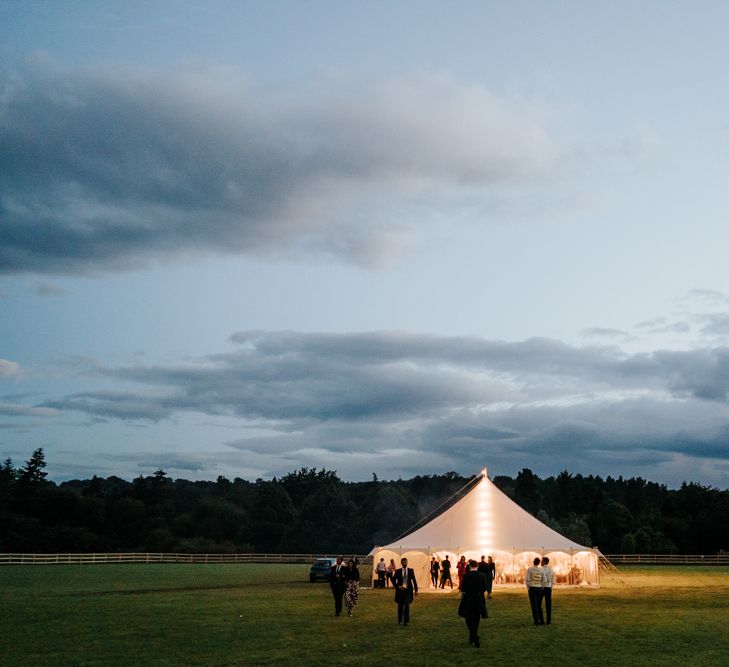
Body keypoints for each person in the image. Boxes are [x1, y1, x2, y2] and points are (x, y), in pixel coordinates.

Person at [458, 559, 488, 647]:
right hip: (479, 599)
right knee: (476, 618)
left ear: (470, 566)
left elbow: (463, 589)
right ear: (477, 566)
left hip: (469, 599)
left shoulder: (466, 576)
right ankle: (473, 637)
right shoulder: (482, 575)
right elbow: (485, 588)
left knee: (468, 618)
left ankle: (474, 637)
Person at [392, 557, 418, 625]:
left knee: (407, 606)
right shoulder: (398, 571)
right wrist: (397, 586)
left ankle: (406, 621)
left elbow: (414, 580)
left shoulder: (411, 570)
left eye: (405, 562)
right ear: (401, 563)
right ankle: (400, 620)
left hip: (408, 591)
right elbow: (393, 579)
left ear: (407, 563)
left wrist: (416, 590)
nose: (404, 563)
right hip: (400, 592)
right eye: (403, 562)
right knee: (400, 607)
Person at [525, 557, 546, 625]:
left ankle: (536, 620)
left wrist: (528, 587)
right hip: (539, 588)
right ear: (539, 563)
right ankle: (541, 620)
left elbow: (527, 579)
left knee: (534, 605)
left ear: (533, 562)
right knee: (539, 605)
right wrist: (542, 586)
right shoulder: (541, 570)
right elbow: (544, 580)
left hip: (532, 588)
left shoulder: (530, 569)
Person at [541, 556, 554, 624]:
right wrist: (551, 588)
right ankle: (548, 620)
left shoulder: (541, 569)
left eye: (542, 561)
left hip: (542, 588)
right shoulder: (551, 569)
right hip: (548, 588)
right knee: (548, 605)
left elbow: (541, 579)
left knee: (538, 604)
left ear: (544, 562)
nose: (541, 562)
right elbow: (553, 580)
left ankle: (541, 619)